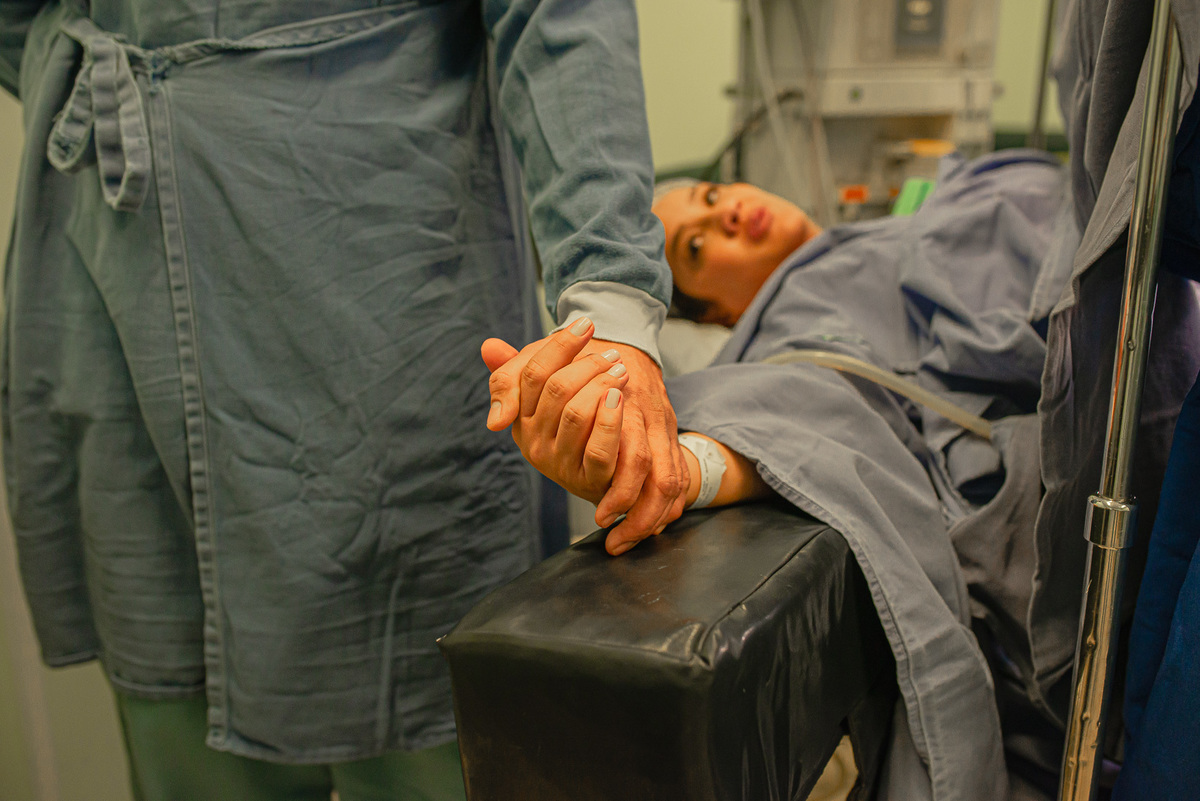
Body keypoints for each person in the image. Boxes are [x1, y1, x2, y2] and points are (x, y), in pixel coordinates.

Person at [0, 1, 687, 798]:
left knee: (429, 717)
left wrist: (611, 310)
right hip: (109, 264)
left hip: (368, 264)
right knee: (175, 700)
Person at [485, 149, 1074, 800]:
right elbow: (809, 407)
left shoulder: (914, 213)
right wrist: (666, 465)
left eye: (711, 196)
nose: (730, 211)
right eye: (698, 247)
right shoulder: (794, 325)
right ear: (712, 314)